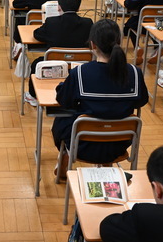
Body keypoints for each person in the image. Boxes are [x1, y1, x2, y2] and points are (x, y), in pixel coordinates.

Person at [53, 20, 148, 180]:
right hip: (119, 144)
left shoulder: (80, 72)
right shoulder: (134, 72)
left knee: (62, 117)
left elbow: (64, 101)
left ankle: (65, 157)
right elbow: (141, 101)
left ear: (93, 44)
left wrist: (63, 86)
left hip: (82, 145)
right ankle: (106, 165)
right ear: (119, 42)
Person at [25, 0, 93, 106]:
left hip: (54, 67)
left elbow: (37, 34)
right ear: (78, 7)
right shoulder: (88, 23)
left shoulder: (52, 22)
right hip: (80, 67)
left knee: (36, 64)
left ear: (59, 7)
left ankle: (33, 95)